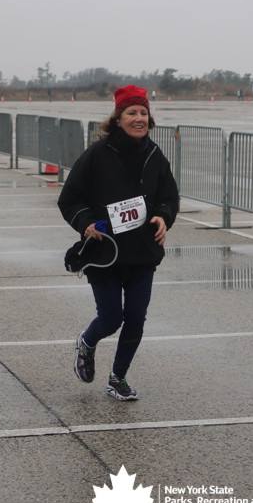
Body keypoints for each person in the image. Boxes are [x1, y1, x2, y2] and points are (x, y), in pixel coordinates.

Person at [58, 85, 180, 401]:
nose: (139, 118)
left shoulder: (155, 155)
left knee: (136, 319)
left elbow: (169, 196)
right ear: (117, 118)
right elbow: (69, 199)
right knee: (112, 318)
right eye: (131, 113)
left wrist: (163, 217)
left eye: (143, 113)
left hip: (141, 253)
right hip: (105, 252)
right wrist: (85, 223)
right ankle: (87, 341)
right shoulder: (97, 155)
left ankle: (118, 378)